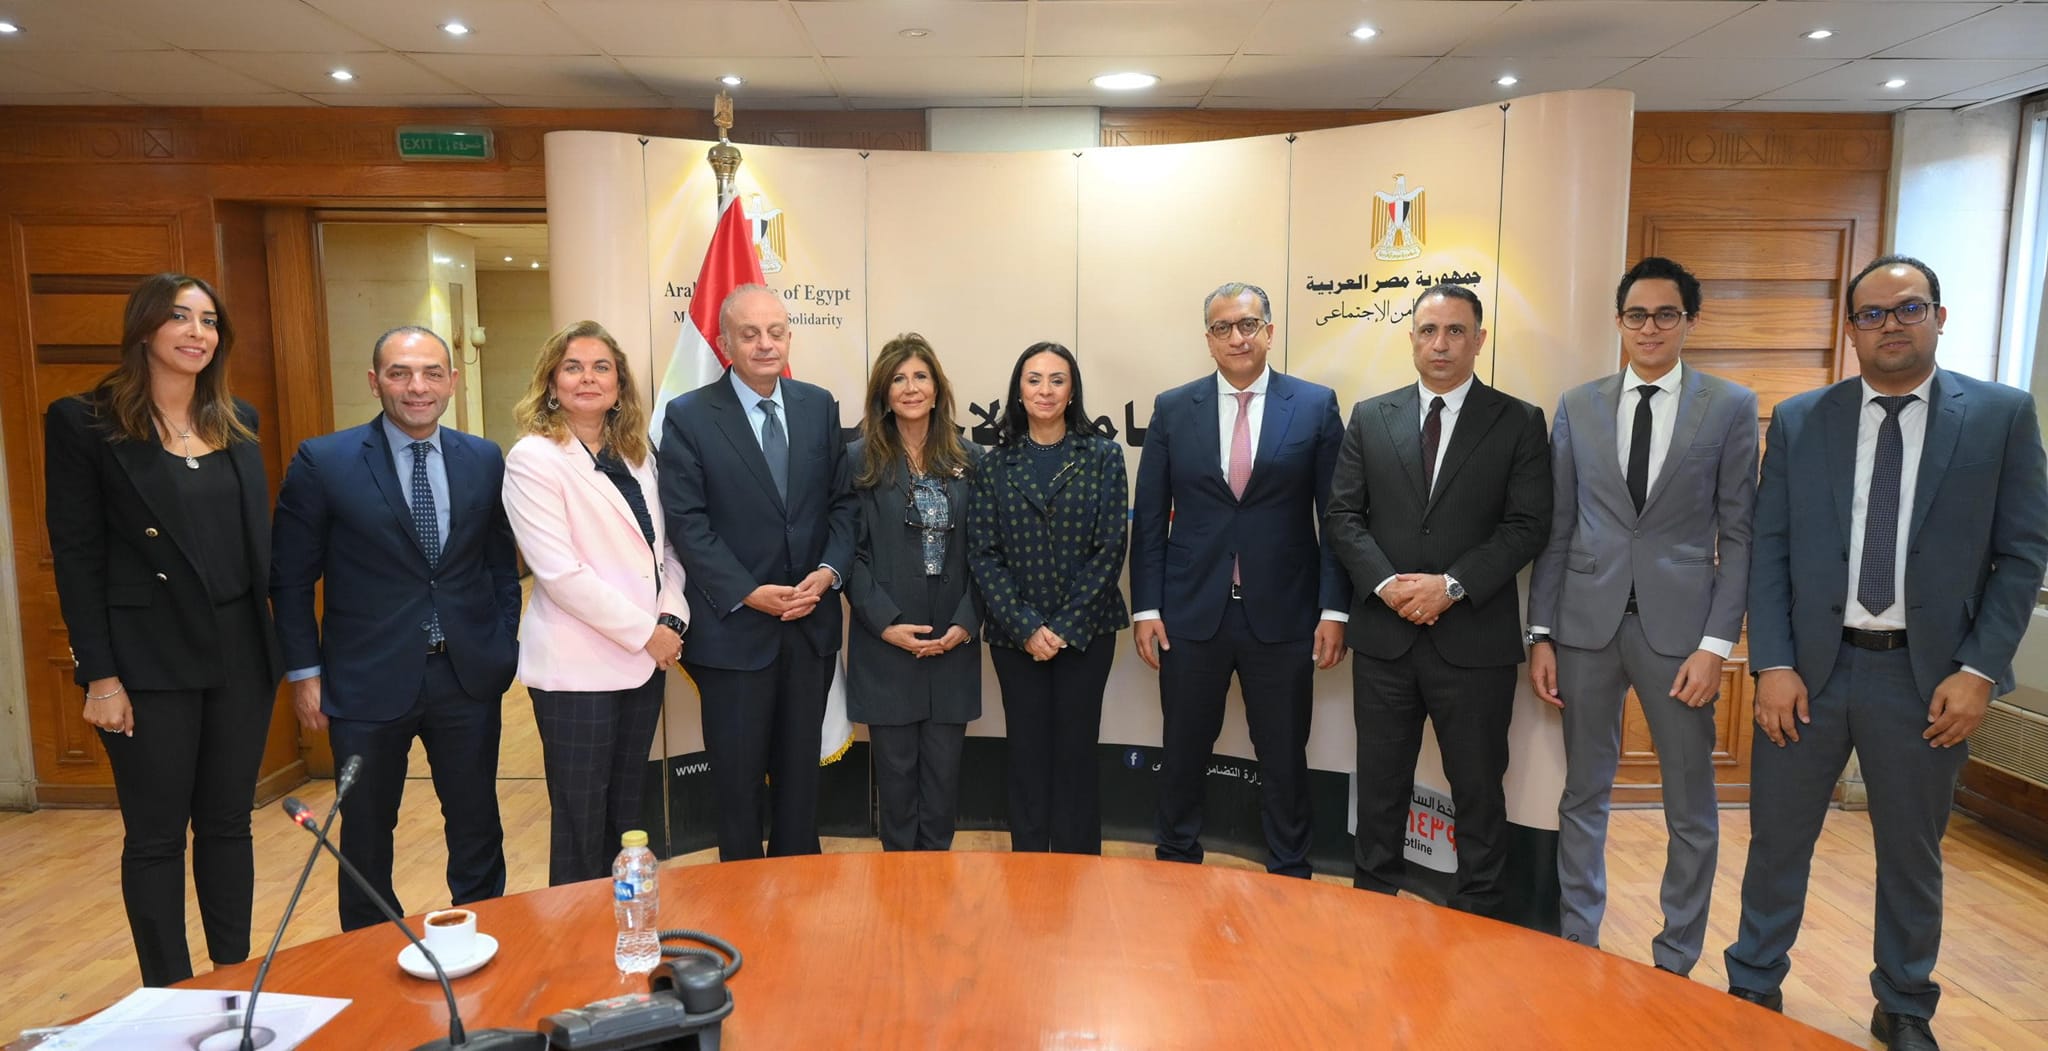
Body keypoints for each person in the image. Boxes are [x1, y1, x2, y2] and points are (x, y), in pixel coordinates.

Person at [1724, 255, 2048, 1051]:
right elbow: (1769, 548)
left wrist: (1979, 670)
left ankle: (1904, 1003)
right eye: (1871, 313)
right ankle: (1753, 982)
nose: (1890, 325)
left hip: (1927, 679)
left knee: (1912, 851)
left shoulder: (2001, 416)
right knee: (1777, 840)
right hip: (1811, 671)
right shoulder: (1802, 419)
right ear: (1851, 328)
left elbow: (2023, 554)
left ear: (1940, 315)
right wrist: (1772, 662)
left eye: (1908, 308)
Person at [44, 273, 283, 986]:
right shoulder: (85, 422)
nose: (196, 332)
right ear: (145, 328)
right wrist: (100, 675)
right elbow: (77, 555)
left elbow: (254, 545)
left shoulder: (237, 419)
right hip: (146, 659)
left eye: (208, 320)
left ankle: (232, 976)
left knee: (228, 823)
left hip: (239, 651)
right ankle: (170, 990)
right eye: (179, 317)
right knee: (155, 836)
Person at [1526, 257, 1758, 973]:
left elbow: (1740, 535)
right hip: (1584, 627)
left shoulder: (1729, 406)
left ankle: (1675, 956)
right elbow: (1559, 526)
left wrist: (1717, 645)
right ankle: (1578, 940)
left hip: (1682, 637)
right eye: (1636, 315)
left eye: (1665, 314)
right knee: (1583, 792)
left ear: (1689, 321)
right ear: (1619, 322)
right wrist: (1541, 632)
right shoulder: (1579, 405)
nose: (1649, 327)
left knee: (1690, 804)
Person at [270, 325, 521, 931]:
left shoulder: (483, 458)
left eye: (432, 373)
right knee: (365, 831)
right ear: (374, 381)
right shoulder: (324, 461)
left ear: (452, 382)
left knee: (476, 822)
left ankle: (486, 936)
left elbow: (499, 564)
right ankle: (368, 948)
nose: (417, 387)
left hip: (465, 675)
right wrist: (305, 674)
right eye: (400, 373)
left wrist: (501, 640)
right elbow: (290, 580)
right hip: (365, 681)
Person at [1324, 283, 1552, 917]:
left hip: (1473, 643)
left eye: (1456, 331)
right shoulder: (1372, 416)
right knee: (1379, 789)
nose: (1441, 343)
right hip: (1385, 640)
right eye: (1429, 331)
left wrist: (1450, 586)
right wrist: (1387, 584)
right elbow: (1342, 515)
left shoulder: (1518, 420)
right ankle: (1374, 908)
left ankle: (1479, 916)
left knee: (1478, 790)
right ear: (1412, 339)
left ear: (1480, 340)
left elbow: (1528, 525)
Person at [1130, 282, 1349, 878]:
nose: (1237, 337)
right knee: (1182, 751)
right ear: (1208, 339)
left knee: (1284, 755)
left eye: (1248, 325)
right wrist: (1146, 608)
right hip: (1189, 615)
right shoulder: (1174, 408)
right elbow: (1149, 518)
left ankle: (1290, 870)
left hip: (1284, 615)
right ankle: (1176, 862)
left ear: (1270, 331)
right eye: (1223, 327)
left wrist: (1334, 610)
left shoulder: (1314, 405)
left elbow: (1337, 520)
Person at [656, 284, 855, 861]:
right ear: (725, 343)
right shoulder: (689, 416)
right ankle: (740, 897)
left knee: (800, 781)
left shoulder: (818, 406)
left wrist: (828, 572)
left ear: (789, 337)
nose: (765, 344)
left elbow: (842, 505)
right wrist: (747, 592)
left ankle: (798, 888)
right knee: (737, 787)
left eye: (776, 332)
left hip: (809, 626)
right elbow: (688, 523)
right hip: (734, 635)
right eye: (750, 334)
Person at [503, 320, 688, 885]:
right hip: (576, 671)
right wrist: (649, 632)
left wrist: (671, 616)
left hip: (643, 664)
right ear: (551, 383)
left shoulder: (638, 454)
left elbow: (665, 550)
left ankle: (624, 922)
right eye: (573, 367)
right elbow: (560, 573)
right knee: (581, 827)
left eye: (601, 367)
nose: (588, 378)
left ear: (619, 384)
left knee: (625, 818)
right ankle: (572, 934)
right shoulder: (534, 458)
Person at [967, 342, 1130, 855]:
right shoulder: (995, 465)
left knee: (1077, 754)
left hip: (1087, 633)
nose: (1045, 390)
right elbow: (983, 553)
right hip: (1016, 639)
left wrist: (1062, 627)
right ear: (1018, 391)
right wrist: (1026, 626)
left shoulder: (1103, 456)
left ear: (1072, 390)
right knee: (1027, 754)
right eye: (1034, 379)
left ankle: (1080, 867)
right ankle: (1030, 867)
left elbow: (1111, 547)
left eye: (1057, 380)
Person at [845, 333, 983, 851]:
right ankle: (899, 886)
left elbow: (988, 552)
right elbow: (848, 553)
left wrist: (966, 622)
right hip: (887, 647)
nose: (910, 388)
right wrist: (885, 623)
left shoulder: (972, 459)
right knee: (897, 787)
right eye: (898, 379)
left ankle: (936, 884)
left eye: (920, 376)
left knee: (943, 786)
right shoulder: (858, 461)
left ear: (937, 388)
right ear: (883, 393)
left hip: (953, 644)